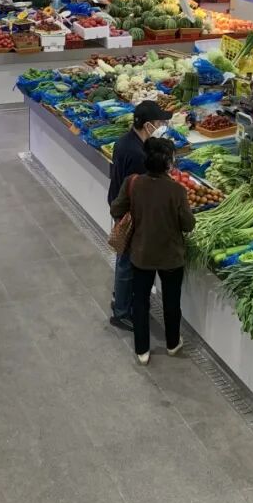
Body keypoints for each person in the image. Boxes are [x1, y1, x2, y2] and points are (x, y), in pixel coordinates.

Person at [110, 137, 195, 365]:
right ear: (168, 163)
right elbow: (188, 225)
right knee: (171, 301)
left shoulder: (133, 183)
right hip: (171, 256)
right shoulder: (177, 190)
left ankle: (142, 350)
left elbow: (116, 208)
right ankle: (172, 344)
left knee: (140, 301)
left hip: (141, 253)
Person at [106, 101, 172, 332]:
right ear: (147, 125)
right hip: (131, 214)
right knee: (127, 263)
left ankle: (121, 298)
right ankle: (121, 313)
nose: (161, 125)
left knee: (124, 259)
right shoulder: (137, 154)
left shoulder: (125, 141)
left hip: (119, 205)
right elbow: (141, 190)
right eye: (159, 122)